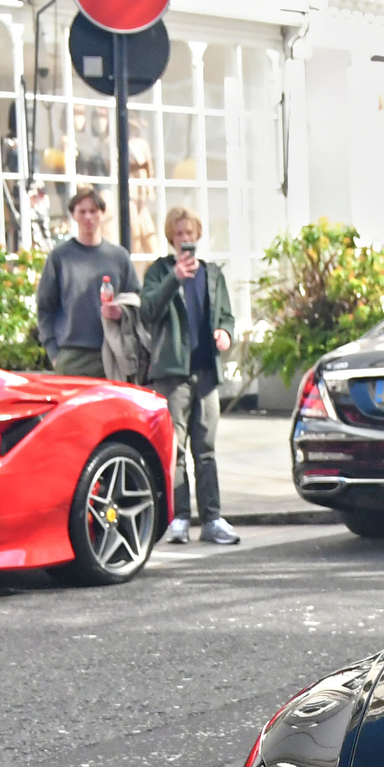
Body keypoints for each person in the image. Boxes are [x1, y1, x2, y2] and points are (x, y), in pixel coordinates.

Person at [139, 207, 239, 545]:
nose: (185, 240)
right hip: (173, 374)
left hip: (206, 371)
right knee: (175, 449)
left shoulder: (212, 274)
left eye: (190, 234)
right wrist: (174, 279)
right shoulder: (159, 271)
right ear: (171, 238)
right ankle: (178, 517)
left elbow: (226, 315)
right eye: (179, 234)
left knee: (206, 449)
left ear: (197, 236)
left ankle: (212, 518)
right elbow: (148, 310)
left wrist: (225, 333)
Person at [34, 187, 140, 380]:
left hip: (112, 350)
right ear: (73, 215)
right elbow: (45, 307)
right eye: (82, 211)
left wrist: (121, 312)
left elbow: (136, 300)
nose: (88, 217)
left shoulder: (119, 257)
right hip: (71, 356)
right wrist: (54, 353)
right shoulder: (60, 257)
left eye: (93, 211)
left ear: (102, 213)